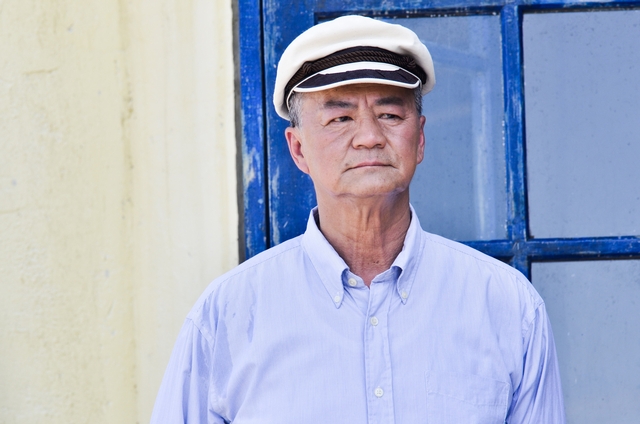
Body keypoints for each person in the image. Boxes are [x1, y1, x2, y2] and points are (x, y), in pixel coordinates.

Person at [150, 15, 565, 423]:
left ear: (419, 138)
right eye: (340, 118)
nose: (369, 137)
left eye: (390, 115)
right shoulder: (228, 316)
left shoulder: (507, 307)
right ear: (298, 149)